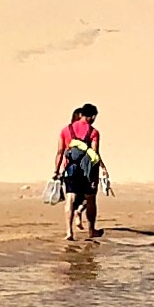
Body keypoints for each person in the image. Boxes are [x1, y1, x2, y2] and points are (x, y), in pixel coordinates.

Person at [54, 101, 107, 246]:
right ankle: (91, 230)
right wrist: (101, 169)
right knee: (90, 200)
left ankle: (69, 232)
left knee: (70, 199)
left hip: (70, 169)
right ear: (92, 116)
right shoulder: (93, 132)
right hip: (87, 171)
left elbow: (60, 151)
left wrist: (56, 170)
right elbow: (94, 153)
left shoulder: (66, 130)